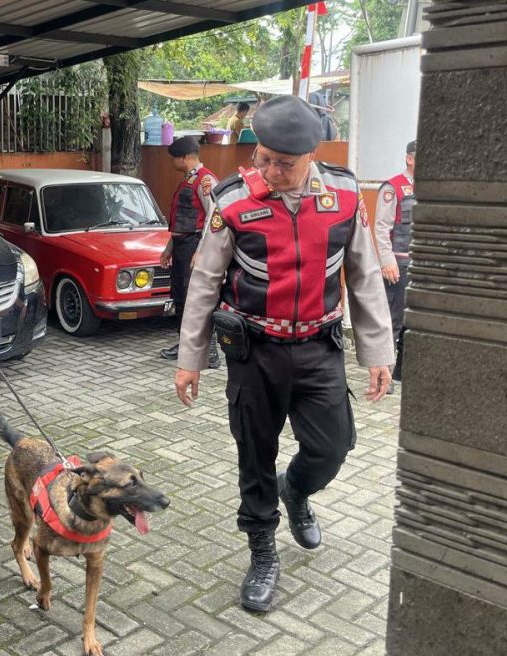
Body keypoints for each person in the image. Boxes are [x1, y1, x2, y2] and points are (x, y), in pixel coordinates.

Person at [173, 95, 394, 613]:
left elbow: (363, 273)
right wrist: (190, 357)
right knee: (255, 454)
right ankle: (263, 551)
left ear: (311, 156)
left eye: (284, 163)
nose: (270, 171)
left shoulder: (342, 196)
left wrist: (377, 349)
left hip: (320, 346)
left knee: (332, 447)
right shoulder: (232, 200)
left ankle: (295, 491)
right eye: (264, 158)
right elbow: (204, 280)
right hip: (255, 350)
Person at [159, 136, 220, 368]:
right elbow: (181, 221)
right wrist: (169, 248)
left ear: (184, 157)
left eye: (175, 157)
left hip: (196, 246)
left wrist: (201, 251)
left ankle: (211, 351)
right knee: (181, 297)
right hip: (183, 247)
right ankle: (185, 346)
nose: (173, 162)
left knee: (198, 298)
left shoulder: (206, 181)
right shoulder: (189, 179)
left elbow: (214, 218)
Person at [374, 140, 416, 383]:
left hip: (420, 264)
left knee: (413, 320)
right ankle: (385, 375)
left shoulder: (429, 189)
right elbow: (381, 227)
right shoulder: (394, 188)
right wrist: (386, 261)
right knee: (393, 320)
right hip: (398, 264)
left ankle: (402, 371)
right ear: (410, 159)